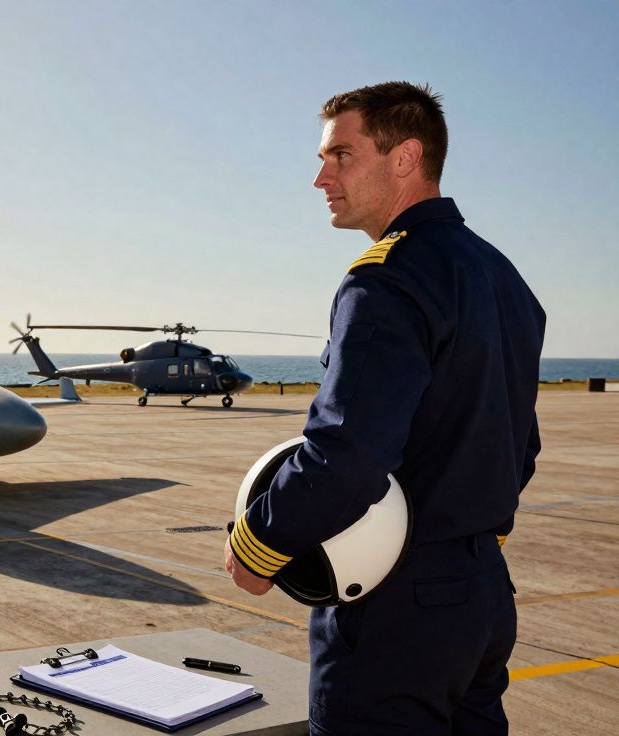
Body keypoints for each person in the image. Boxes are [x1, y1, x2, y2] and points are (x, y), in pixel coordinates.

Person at [224, 82, 545, 735]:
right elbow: (521, 448)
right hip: (483, 595)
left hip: (397, 611)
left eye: (341, 155)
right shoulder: (503, 278)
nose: (321, 177)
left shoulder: (386, 279)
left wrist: (258, 545)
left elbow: (347, 454)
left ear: (404, 158)